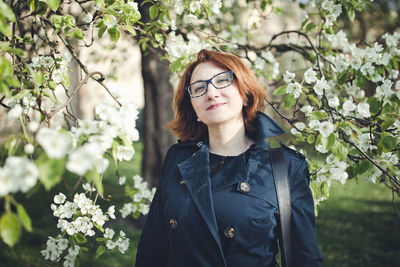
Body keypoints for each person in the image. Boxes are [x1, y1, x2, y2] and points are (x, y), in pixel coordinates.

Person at [135, 49, 322, 267]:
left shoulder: (286, 167)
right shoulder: (178, 159)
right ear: (193, 106)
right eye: (199, 88)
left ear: (244, 94)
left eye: (223, 81)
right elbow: (153, 249)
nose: (212, 93)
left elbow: (305, 259)